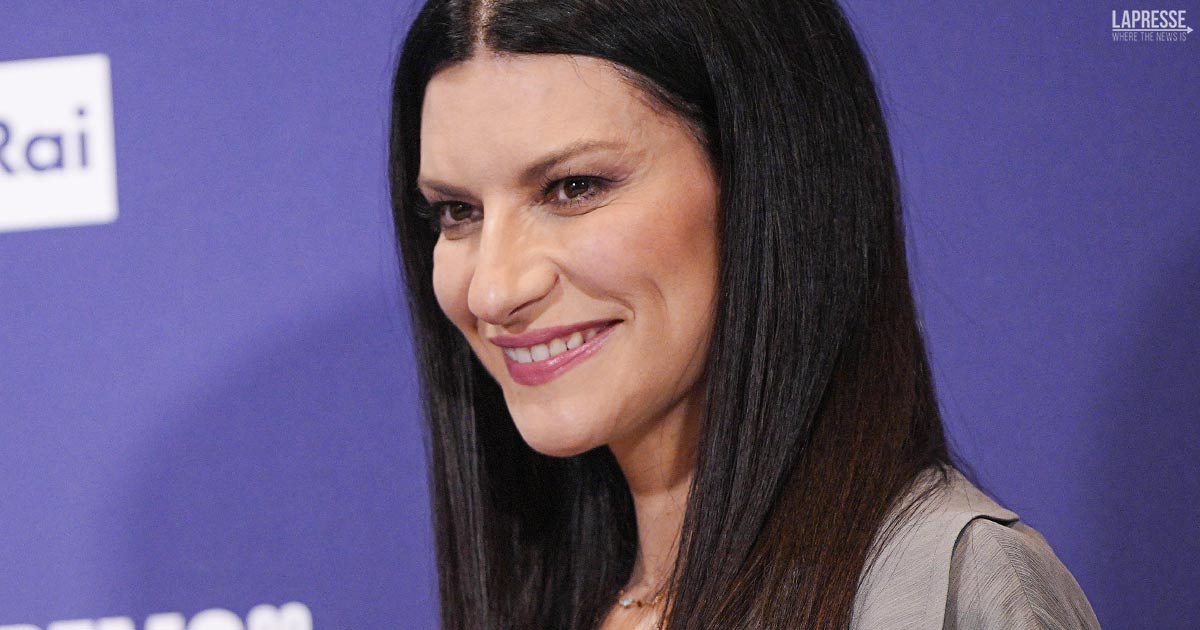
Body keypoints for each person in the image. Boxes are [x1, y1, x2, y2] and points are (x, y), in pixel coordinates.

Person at [388, 1, 1101, 628]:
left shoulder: (950, 589)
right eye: (457, 212)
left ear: (767, 185)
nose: (492, 291)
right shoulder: (554, 595)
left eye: (574, 187)